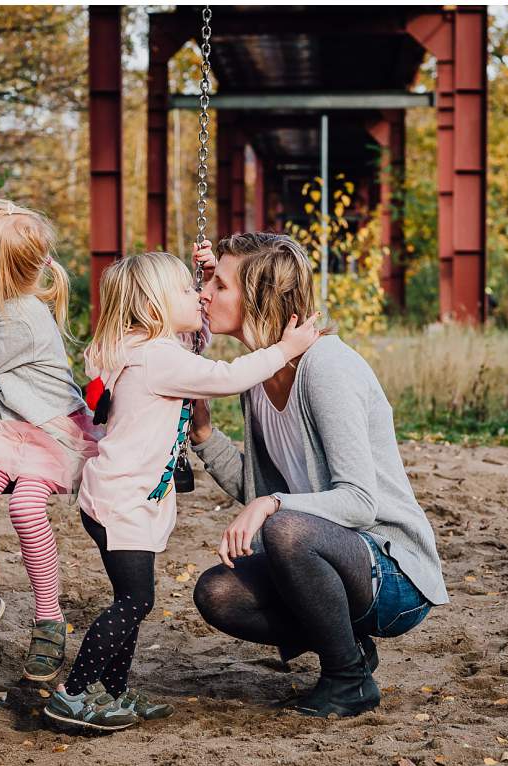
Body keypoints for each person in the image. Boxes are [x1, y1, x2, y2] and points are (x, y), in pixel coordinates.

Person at [43, 252, 322, 731]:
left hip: (126, 496)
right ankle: (71, 694)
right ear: (154, 307)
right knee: (134, 601)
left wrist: (211, 272)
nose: (202, 296)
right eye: (190, 291)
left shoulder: (153, 347)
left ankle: (114, 692)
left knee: (132, 599)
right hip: (122, 501)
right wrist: (286, 349)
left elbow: (198, 338)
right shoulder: (156, 358)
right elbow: (226, 377)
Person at [187, 233, 450, 718]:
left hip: (391, 572)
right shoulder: (259, 375)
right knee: (217, 593)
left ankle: (347, 681)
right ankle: (348, 650)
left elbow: (357, 502)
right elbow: (257, 488)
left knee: (283, 525)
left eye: (220, 286)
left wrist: (273, 505)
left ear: (260, 297)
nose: (205, 294)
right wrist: (204, 437)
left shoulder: (326, 367)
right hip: (322, 558)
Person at [0, 199, 99, 682]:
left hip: (51, 431)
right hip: (6, 423)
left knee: (26, 510)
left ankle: (50, 617)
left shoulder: (22, 319)